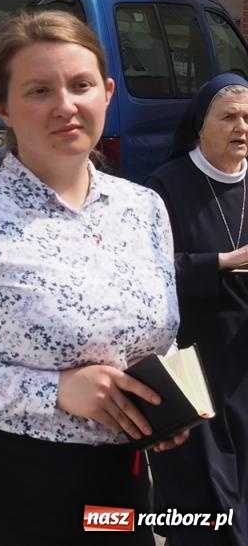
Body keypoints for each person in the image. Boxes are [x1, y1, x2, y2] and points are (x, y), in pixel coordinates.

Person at [0, 11, 185, 546]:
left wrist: (163, 405)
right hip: (4, 494)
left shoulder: (144, 208)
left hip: (119, 494)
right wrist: (55, 391)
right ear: (2, 106)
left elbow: (160, 335)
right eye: (40, 90)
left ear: (108, 92)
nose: (66, 106)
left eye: (81, 85)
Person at [145, 73, 248, 546]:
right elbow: (147, 270)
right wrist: (221, 263)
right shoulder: (167, 185)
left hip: (243, 364)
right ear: (199, 125)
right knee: (205, 496)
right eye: (228, 116)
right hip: (195, 363)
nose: (241, 126)